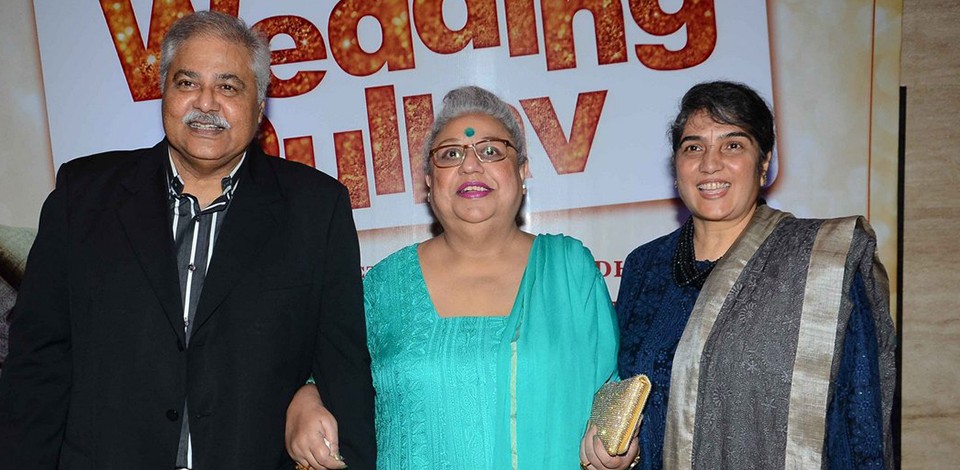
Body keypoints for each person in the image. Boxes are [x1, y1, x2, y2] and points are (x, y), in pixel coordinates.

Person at [0, 11, 374, 469]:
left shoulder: (316, 209)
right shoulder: (83, 196)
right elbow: (37, 363)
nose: (206, 103)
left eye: (228, 87)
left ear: (259, 106)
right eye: (187, 82)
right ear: (164, 92)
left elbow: (344, 370)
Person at [285, 86, 638, 469]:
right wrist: (305, 399)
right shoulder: (387, 286)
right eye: (451, 154)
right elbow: (333, 372)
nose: (470, 165)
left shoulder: (569, 270)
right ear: (429, 181)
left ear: (522, 172)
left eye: (491, 151)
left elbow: (609, 391)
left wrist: (618, 448)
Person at [616, 81, 897, 469]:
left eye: (732, 145)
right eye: (693, 147)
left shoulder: (821, 262)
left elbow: (859, 420)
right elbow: (624, 399)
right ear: (676, 166)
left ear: (764, 164)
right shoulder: (645, 267)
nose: (710, 163)